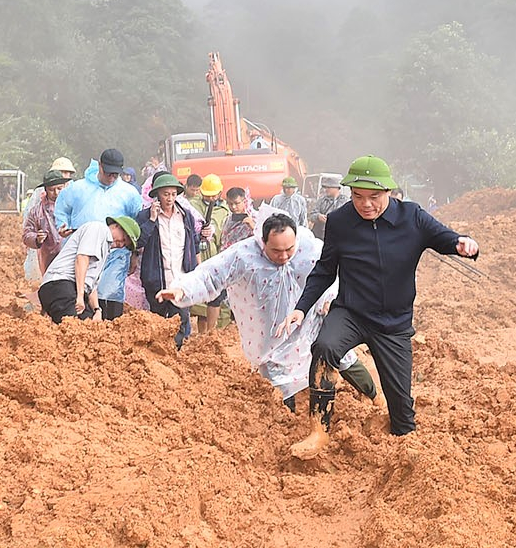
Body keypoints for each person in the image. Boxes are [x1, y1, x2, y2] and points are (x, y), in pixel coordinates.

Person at [282, 155, 480, 452]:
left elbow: (444, 237)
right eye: (358, 196)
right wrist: (301, 307)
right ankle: (318, 431)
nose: (365, 204)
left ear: (388, 191)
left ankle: (401, 436)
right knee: (324, 347)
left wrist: (461, 243)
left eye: (374, 197)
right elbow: (324, 270)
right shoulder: (340, 221)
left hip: (393, 323)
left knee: (402, 414)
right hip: (351, 312)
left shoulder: (412, 217)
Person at [157, 211, 376, 419]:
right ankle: (289, 420)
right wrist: (181, 290)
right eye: (276, 251)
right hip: (272, 329)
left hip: (311, 315)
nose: (284, 256)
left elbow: (336, 273)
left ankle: (375, 396)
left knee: (340, 354)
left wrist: (331, 299)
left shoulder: (311, 247)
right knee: (278, 374)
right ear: (263, 242)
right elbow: (209, 275)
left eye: (289, 249)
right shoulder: (243, 255)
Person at [54, 149, 144, 320]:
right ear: (100, 166)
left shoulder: (129, 193)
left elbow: (135, 225)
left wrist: (134, 254)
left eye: (115, 175)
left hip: (116, 257)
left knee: (110, 299)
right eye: (108, 173)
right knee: (80, 300)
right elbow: (61, 209)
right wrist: (62, 226)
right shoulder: (78, 189)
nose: (111, 178)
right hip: (83, 255)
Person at [136, 173, 199, 348]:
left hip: (181, 279)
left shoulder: (186, 215)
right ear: (157, 195)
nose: (170, 198)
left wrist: (196, 269)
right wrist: (152, 220)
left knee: (180, 320)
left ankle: (175, 353)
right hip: (156, 280)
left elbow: (194, 242)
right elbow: (139, 242)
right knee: (157, 321)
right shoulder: (144, 216)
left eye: (173, 194)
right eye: (165, 194)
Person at [38, 215, 140, 324]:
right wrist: (80, 296)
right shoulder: (99, 229)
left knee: (91, 327)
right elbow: (82, 259)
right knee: (82, 329)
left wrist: (97, 310)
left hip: (67, 289)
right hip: (61, 285)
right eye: (123, 239)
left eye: (125, 245)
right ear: (116, 226)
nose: (121, 244)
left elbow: (91, 284)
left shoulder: (104, 248)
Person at [187, 173, 228, 332]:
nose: (210, 199)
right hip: (196, 256)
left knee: (215, 296)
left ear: (219, 193)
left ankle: (211, 333)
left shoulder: (224, 210)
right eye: (207, 195)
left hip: (215, 255)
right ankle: (201, 333)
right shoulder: (192, 205)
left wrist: (214, 231)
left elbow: (225, 232)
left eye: (213, 195)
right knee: (198, 302)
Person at [22, 169, 68, 282]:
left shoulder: (72, 206)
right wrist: (37, 239)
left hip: (71, 256)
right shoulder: (37, 211)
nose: (56, 193)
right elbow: (27, 234)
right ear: (45, 190)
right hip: (49, 258)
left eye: (59, 189)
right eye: (52, 190)